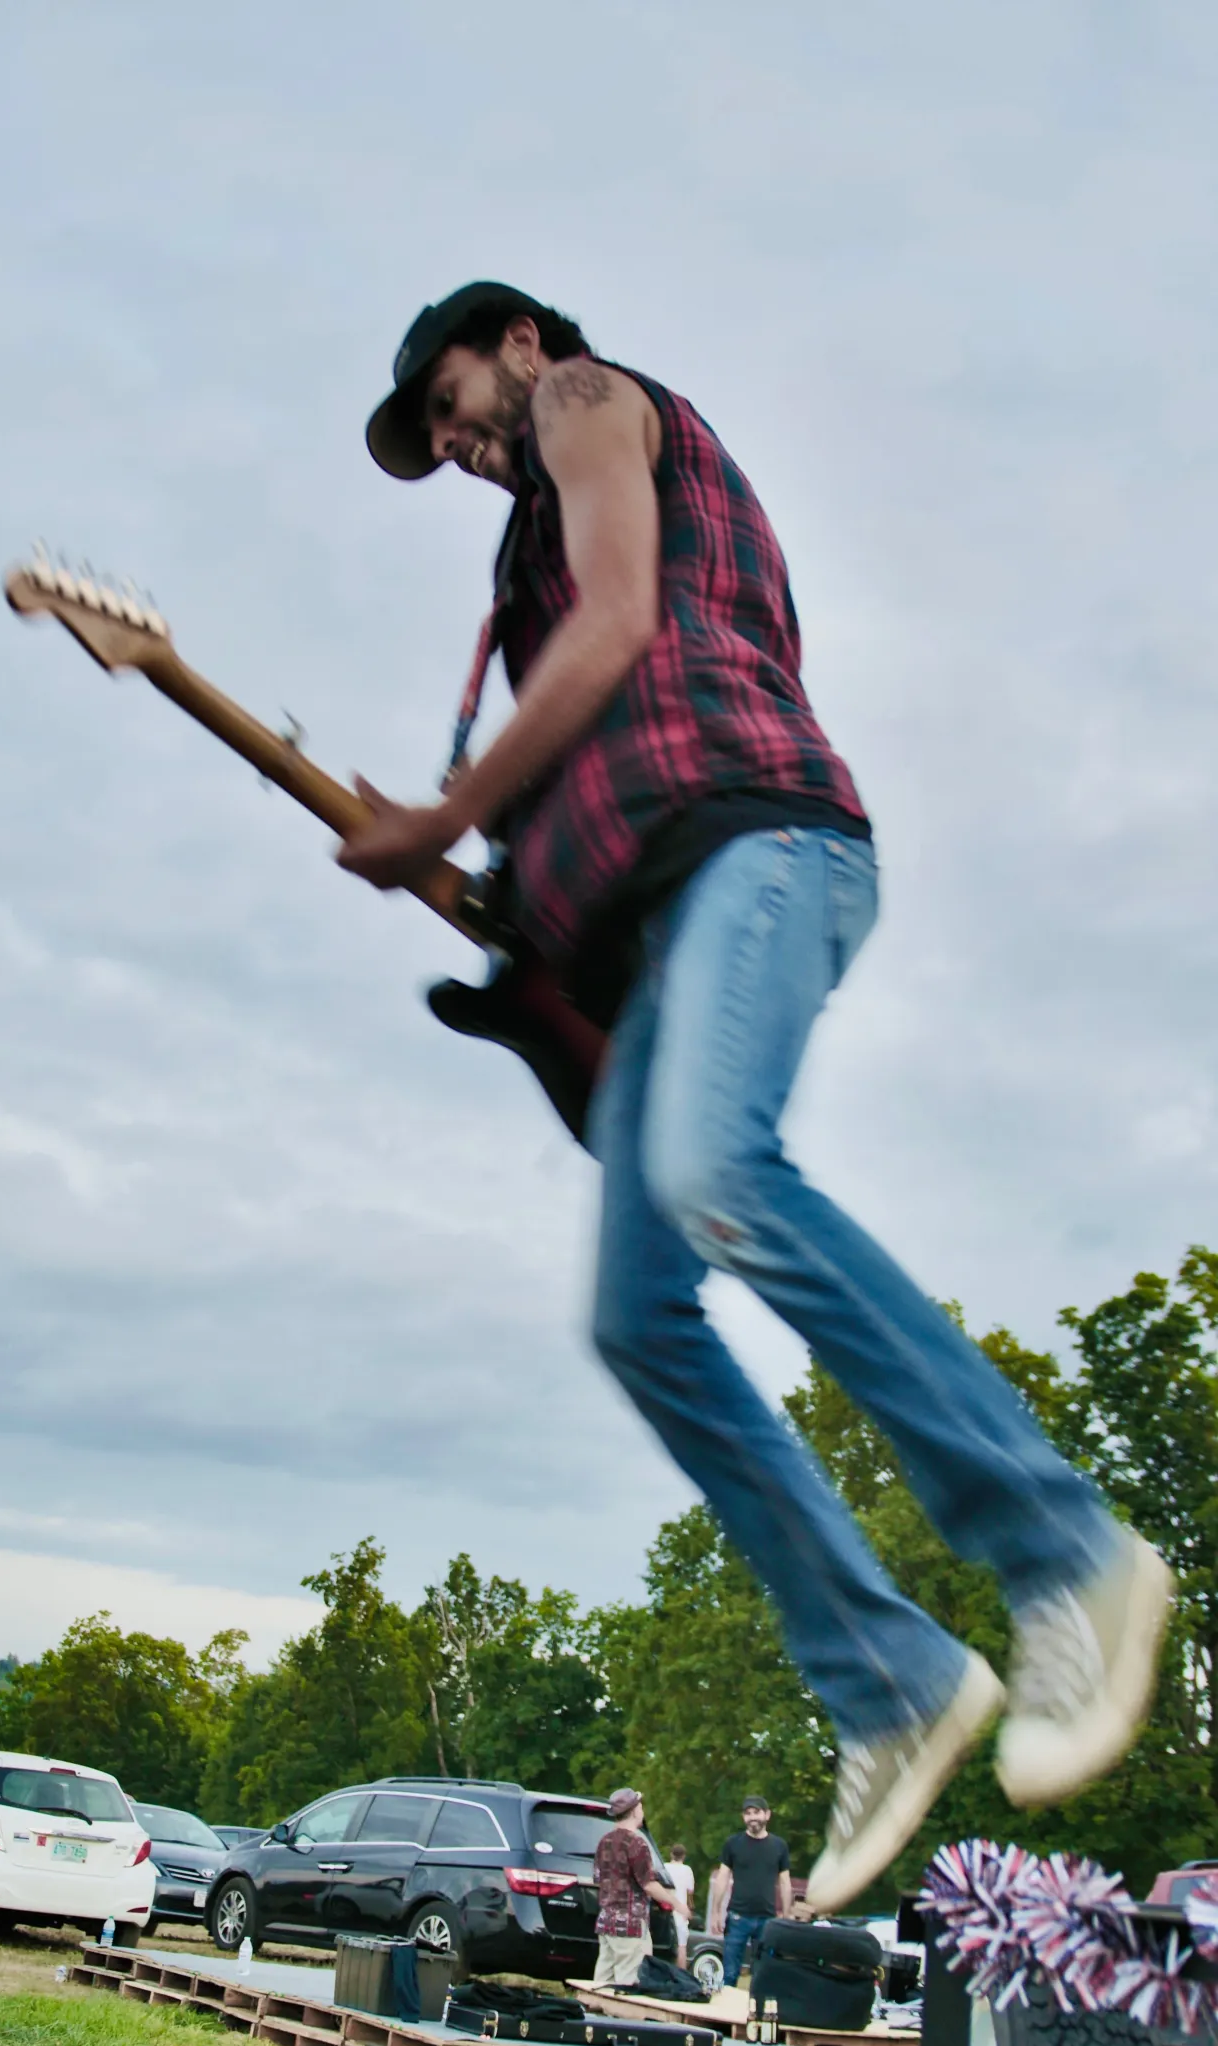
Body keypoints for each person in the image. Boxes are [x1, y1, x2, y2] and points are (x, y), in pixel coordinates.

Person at [347, 282, 1174, 1912]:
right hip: (662, 927)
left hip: (769, 840)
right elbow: (572, 771)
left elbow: (624, 628)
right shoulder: (519, 566)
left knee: (719, 1163)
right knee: (635, 1314)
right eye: (436, 441)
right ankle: (890, 1674)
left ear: (516, 341)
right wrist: (500, 901)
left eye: (448, 401)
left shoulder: (587, 400)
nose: (452, 442)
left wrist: (447, 798)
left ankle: (1068, 1550)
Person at [591, 1788, 680, 1988]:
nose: (642, 1809)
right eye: (640, 1805)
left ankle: (593, 2017)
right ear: (634, 1811)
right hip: (630, 1924)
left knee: (602, 1980)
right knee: (628, 1981)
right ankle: (621, 2019)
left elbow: (598, 1878)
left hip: (606, 1922)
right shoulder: (637, 1843)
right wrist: (677, 1904)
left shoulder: (604, 1841)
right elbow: (648, 1884)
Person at [708, 1798, 792, 1990]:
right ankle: (726, 2017)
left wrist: (786, 1917)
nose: (752, 1817)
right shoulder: (733, 1843)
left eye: (757, 1812)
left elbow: (785, 1882)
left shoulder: (779, 1846)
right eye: (748, 1813)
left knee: (763, 1975)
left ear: (767, 1815)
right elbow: (722, 1877)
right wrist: (715, 1912)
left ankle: (757, 2015)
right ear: (743, 1817)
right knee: (729, 1974)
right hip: (737, 1917)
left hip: (768, 1919)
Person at [665, 1843, 696, 1967]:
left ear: (671, 1854)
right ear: (683, 1856)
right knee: (682, 1947)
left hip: (665, 1911)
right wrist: (690, 1909)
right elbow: (690, 1893)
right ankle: (680, 1975)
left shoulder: (664, 1867)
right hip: (681, 1912)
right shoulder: (687, 1870)